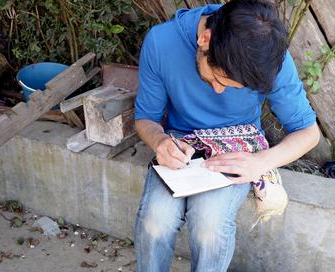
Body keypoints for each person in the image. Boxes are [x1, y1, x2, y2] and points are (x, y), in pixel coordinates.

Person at [133, 0, 320, 271]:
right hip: (181, 145)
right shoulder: (161, 42)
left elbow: (308, 132)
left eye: (231, 86)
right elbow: (146, 119)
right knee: (154, 222)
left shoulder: (266, 53)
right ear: (204, 39)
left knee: (209, 226)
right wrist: (159, 141)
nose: (219, 91)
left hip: (238, 147)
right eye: (217, 79)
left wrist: (261, 162)